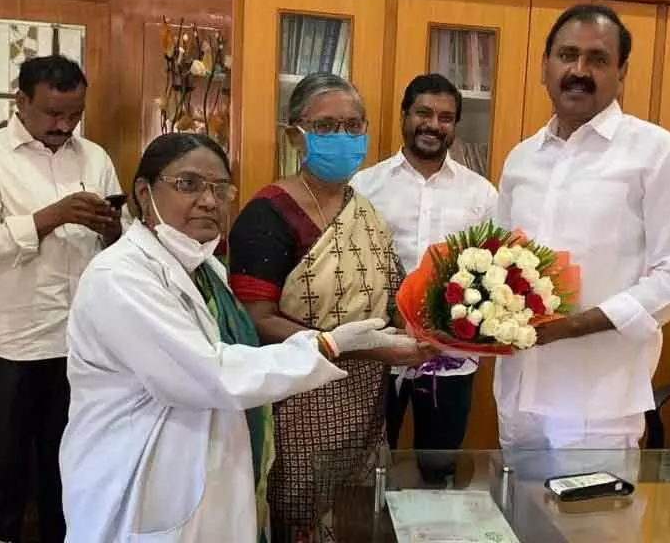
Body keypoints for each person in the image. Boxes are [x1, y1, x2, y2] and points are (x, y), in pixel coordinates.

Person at [59, 133, 417, 542]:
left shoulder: (205, 268)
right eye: (188, 185)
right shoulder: (119, 276)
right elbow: (211, 374)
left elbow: (236, 354)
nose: (210, 201)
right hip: (141, 471)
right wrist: (328, 344)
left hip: (208, 463)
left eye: (220, 189)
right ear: (144, 192)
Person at [228, 72, 436, 541]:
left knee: (359, 518)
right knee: (299, 519)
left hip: (366, 406)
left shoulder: (364, 210)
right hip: (296, 405)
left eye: (353, 126)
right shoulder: (268, 215)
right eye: (324, 128)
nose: (342, 138)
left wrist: (430, 331)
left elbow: (394, 296)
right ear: (294, 136)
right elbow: (254, 323)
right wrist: (370, 351)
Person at [495, 5, 670, 452]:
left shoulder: (658, 154)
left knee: (590, 524)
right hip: (517, 390)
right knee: (515, 518)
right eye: (567, 55)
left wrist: (576, 326)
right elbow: (498, 260)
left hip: (597, 404)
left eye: (597, 59)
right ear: (544, 66)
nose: (579, 70)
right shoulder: (522, 158)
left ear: (621, 72)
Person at [0, 55, 125, 543]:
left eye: (74, 114)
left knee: (70, 473)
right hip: (11, 344)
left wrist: (114, 229)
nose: (64, 125)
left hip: (83, 345)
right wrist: (51, 216)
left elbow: (124, 244)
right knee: (3, 477)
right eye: (53, 113)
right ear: (21, 101)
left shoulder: (95, 158)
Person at [351, 73, 497, 485]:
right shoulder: (365, 186)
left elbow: (493, 276)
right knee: (372, 467)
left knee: (439, 467)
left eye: (446, 117)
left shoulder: (482, 195)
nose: (433, 125)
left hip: (450, 358)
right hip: (380, 351)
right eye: (424, 113)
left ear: (455, 126)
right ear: (404, 116)